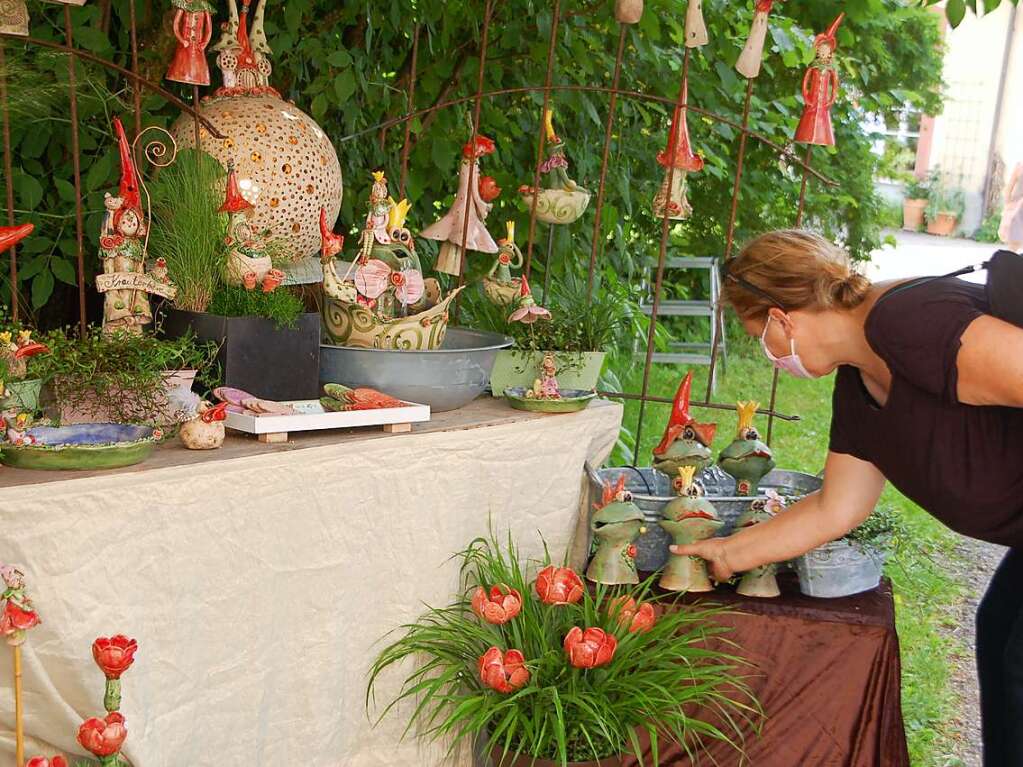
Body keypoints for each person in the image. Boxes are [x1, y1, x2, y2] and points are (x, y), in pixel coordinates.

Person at [674, 230, 1023, 766]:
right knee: (1001, 639)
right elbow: (836, 507)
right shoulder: (858, 381)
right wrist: (726, 553)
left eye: (758, 337)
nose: (768, 356)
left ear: (781, 318)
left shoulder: (909, 321)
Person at [1000, 161, 1023, 253]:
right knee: (1014, 240)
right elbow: (1010, 186)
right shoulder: (1020, 166)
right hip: (1017, 207)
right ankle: (1011, 262)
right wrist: (1008, 204)